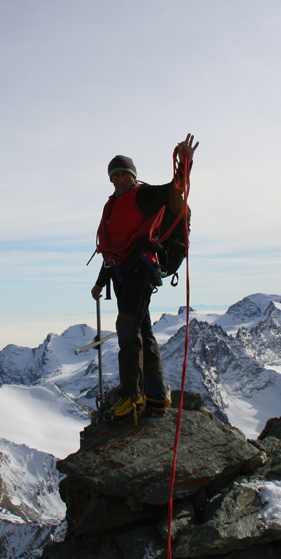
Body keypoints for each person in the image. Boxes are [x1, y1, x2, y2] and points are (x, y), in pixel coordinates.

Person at [91, 134, 198, 423]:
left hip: (141, 269)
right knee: (142, 330)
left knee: (126, 327)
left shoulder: (143, 195)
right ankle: (155, 394)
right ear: (111, 180)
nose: (121, 179)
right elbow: (112, 247)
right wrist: (101, 281)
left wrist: (184, 164)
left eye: (126, 174)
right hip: (121, 273)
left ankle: (131, 393)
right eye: (116, 175)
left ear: (133, 176)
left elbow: (174, 191)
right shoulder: (112, 204)